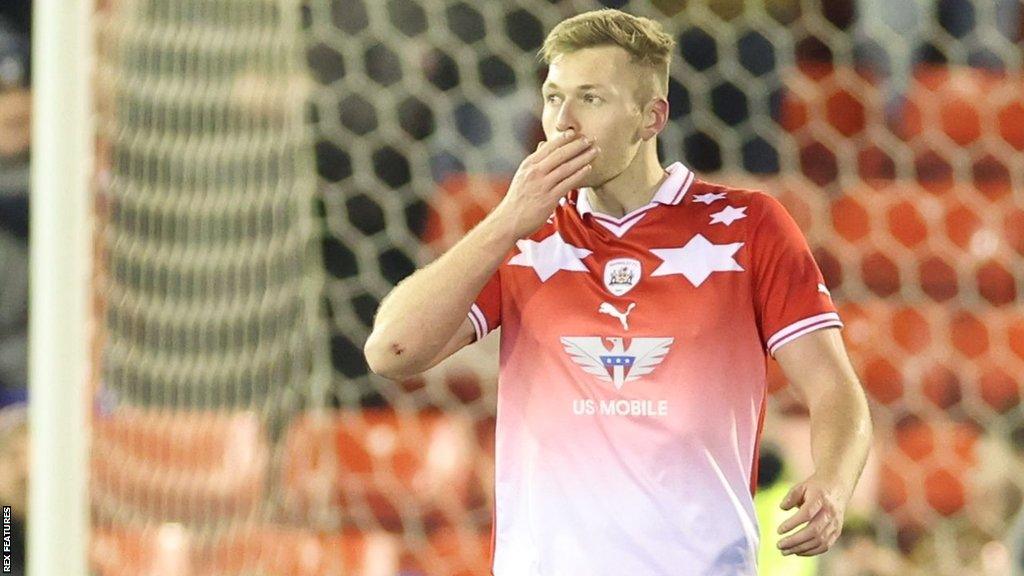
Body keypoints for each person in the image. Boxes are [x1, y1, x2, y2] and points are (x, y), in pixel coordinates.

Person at [364, 9, 873, 575]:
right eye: (553, 97)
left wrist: (831, 483)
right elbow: (392, 352)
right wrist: (507, 220)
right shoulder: (524, 238)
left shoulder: (749, 226)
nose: (563, 122)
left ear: (651, 117)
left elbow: (836, 391)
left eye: (591, 99)